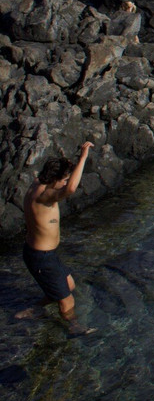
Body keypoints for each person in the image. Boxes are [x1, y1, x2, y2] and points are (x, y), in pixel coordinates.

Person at [16, 141, 95, 335]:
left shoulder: (39, 182)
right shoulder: (43, 196)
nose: (65, 183)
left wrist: (68, 160)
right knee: (67, 300)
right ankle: (74, 327)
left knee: (69, 285)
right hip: (40, 256)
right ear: (54, 180)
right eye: (64, 179)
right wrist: (83, 158)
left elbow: (59, 175)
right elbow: (70, 190)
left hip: (44, 255)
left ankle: (36, 308)